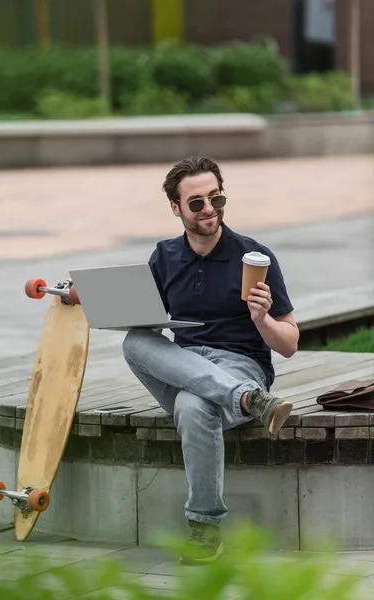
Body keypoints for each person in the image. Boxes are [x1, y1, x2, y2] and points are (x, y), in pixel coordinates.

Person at [122, 156, 299, 565]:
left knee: (193, 404)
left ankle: (204, 528)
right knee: (133, 342)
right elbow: (151, 332)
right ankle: (249, 401)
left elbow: (288, 344)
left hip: (240, 364)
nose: (209, 211)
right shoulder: (164, 256)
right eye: (197, 203)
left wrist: (262, 318)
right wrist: (128, 313)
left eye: (216, 200)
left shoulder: (253, 256)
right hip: (185, 364)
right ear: (176, 208)